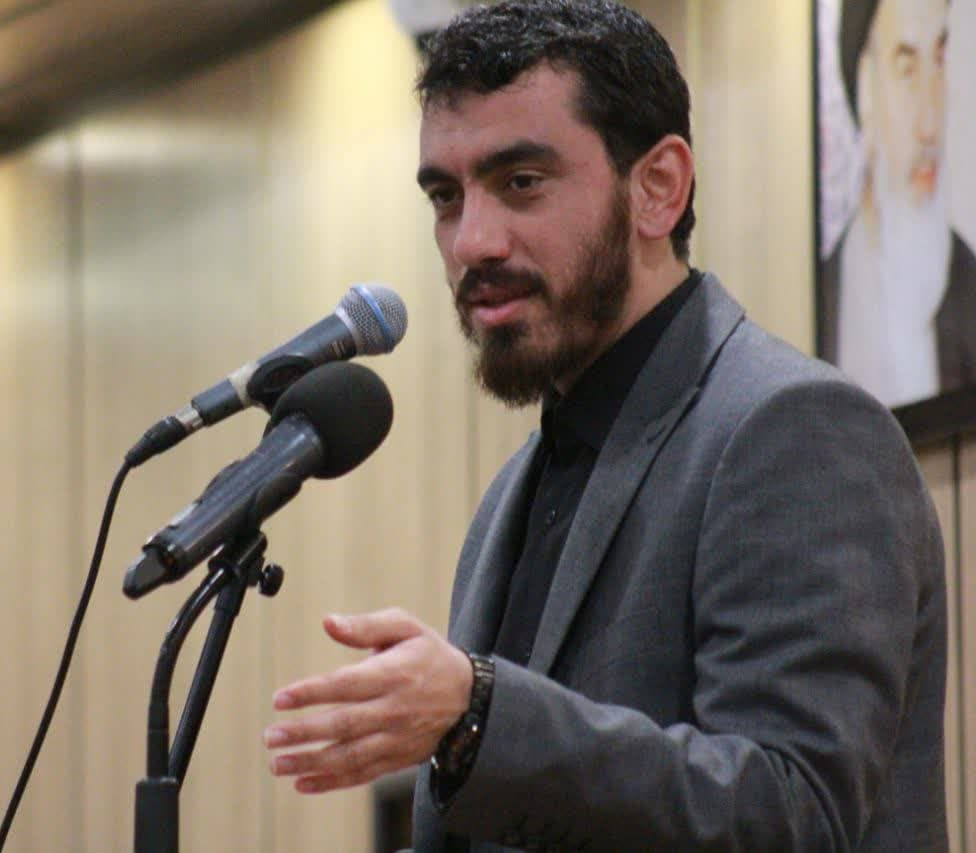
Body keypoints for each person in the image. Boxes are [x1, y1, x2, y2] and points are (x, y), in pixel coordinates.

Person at [265, 1, 948, 849]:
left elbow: (788, 811)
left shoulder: (796, 429)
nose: (472, 240)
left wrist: (477, 713)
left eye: (521, 181)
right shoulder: (513, 493)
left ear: (658, 188)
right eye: (446, 197)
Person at [820, 0, 976, 407]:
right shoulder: (824, 297)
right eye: (907, 70)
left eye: (938, 60)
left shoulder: (970, 289)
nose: (929, 125)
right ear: (864, 89)